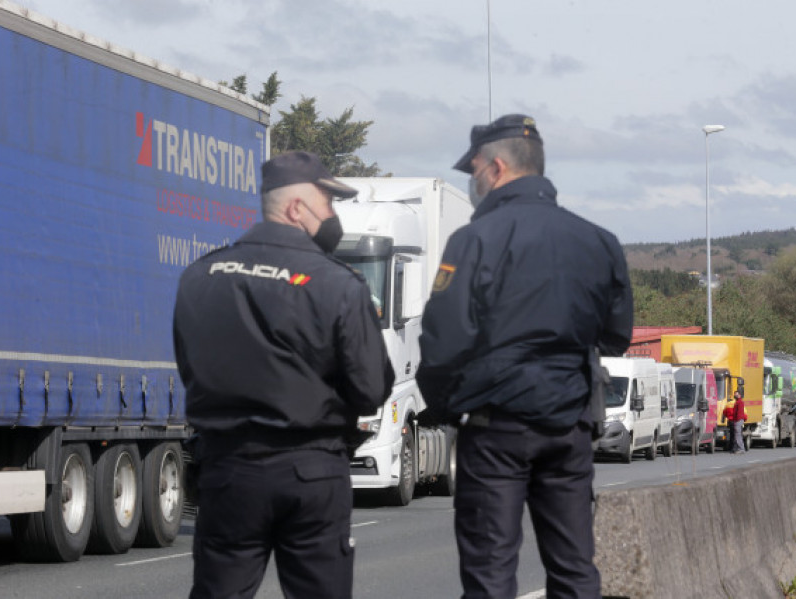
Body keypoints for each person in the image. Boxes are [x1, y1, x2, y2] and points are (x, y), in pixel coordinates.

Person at [416, 114, 633, 598]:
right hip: (570, 426)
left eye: (472, 170)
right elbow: (618, 335)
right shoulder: (599, 242)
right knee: (575, 568)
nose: (472, 183)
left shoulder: (474, 240)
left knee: (491, 571)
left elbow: (443, 340)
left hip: (497, 428)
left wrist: (446, 407)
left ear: (495, 167)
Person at [173, 151, 395, 599]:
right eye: (328, 203)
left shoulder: (201, 275)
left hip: (227, 467)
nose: (333, 216)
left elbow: (189, 365)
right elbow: (371, 388)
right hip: (311, 469)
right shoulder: (338, 283)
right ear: (297, 209)